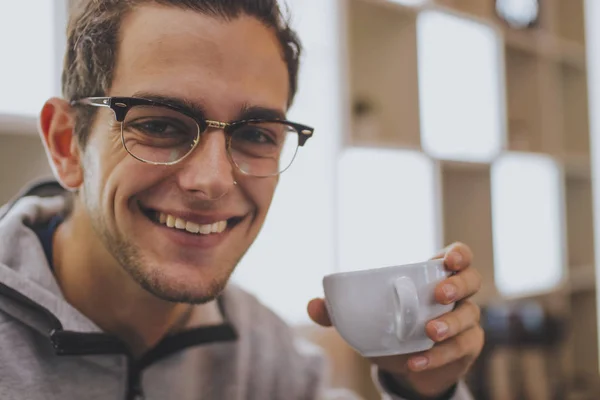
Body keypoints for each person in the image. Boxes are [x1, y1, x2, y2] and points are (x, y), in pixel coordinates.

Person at [0, 1, 484, 399]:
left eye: (255, 133)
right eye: (160, 125)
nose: (212, 181)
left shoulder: (261, 349)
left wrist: (425, 388)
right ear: (66, 144)